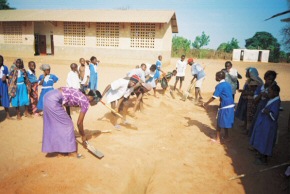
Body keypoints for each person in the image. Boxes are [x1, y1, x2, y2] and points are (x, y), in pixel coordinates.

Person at [42, 87, 102, 158]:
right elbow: (79, 123)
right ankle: (72, 153)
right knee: (68, 126)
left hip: (48, 96)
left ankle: (59, 150)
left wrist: (68, 115)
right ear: (91, 97)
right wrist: (83, 135)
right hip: (54, 100)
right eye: (96, 100)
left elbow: (67, 103)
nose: (96, 103)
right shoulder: (85, 102)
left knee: (58, 125)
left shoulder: (81, 94)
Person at [250, 84, 281, 165]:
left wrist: (268, 112)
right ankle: (260, 154)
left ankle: (263, 158)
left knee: (266, 141)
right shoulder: (273, 99)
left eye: (270, 92)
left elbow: (274, 116)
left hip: (269, 126)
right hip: (265, 124)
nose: (268, 94)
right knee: (262, 139)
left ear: (275, 93)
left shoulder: (276, 102)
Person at [203, 71, 235, 144]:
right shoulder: (228, 84)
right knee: (225, 121)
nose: (215, 78)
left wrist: (206, 103)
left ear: (218, 77)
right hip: (231, 104)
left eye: (216, 76)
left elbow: (214, 97)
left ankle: (218, 139)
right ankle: (227, 137)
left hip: (225, 105)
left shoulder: (219, 86)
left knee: (219, 122)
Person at [248, 70, 277, 136]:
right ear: (265, 78)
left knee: (265, 125)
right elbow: (255, 100)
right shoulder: (261, 87)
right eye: (268, 79)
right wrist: (261, 95)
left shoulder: (274, 89)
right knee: (257, 123)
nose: (270, 81)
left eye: (272, 80)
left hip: (268, 110)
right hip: (260, 108)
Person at [0, 55, 11, 119]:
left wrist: (6, 77)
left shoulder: (5, 68)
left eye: (1, 60)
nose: (0, 62)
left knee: (5, 98)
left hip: (3, 85)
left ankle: (7, 115)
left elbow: (8, 76)